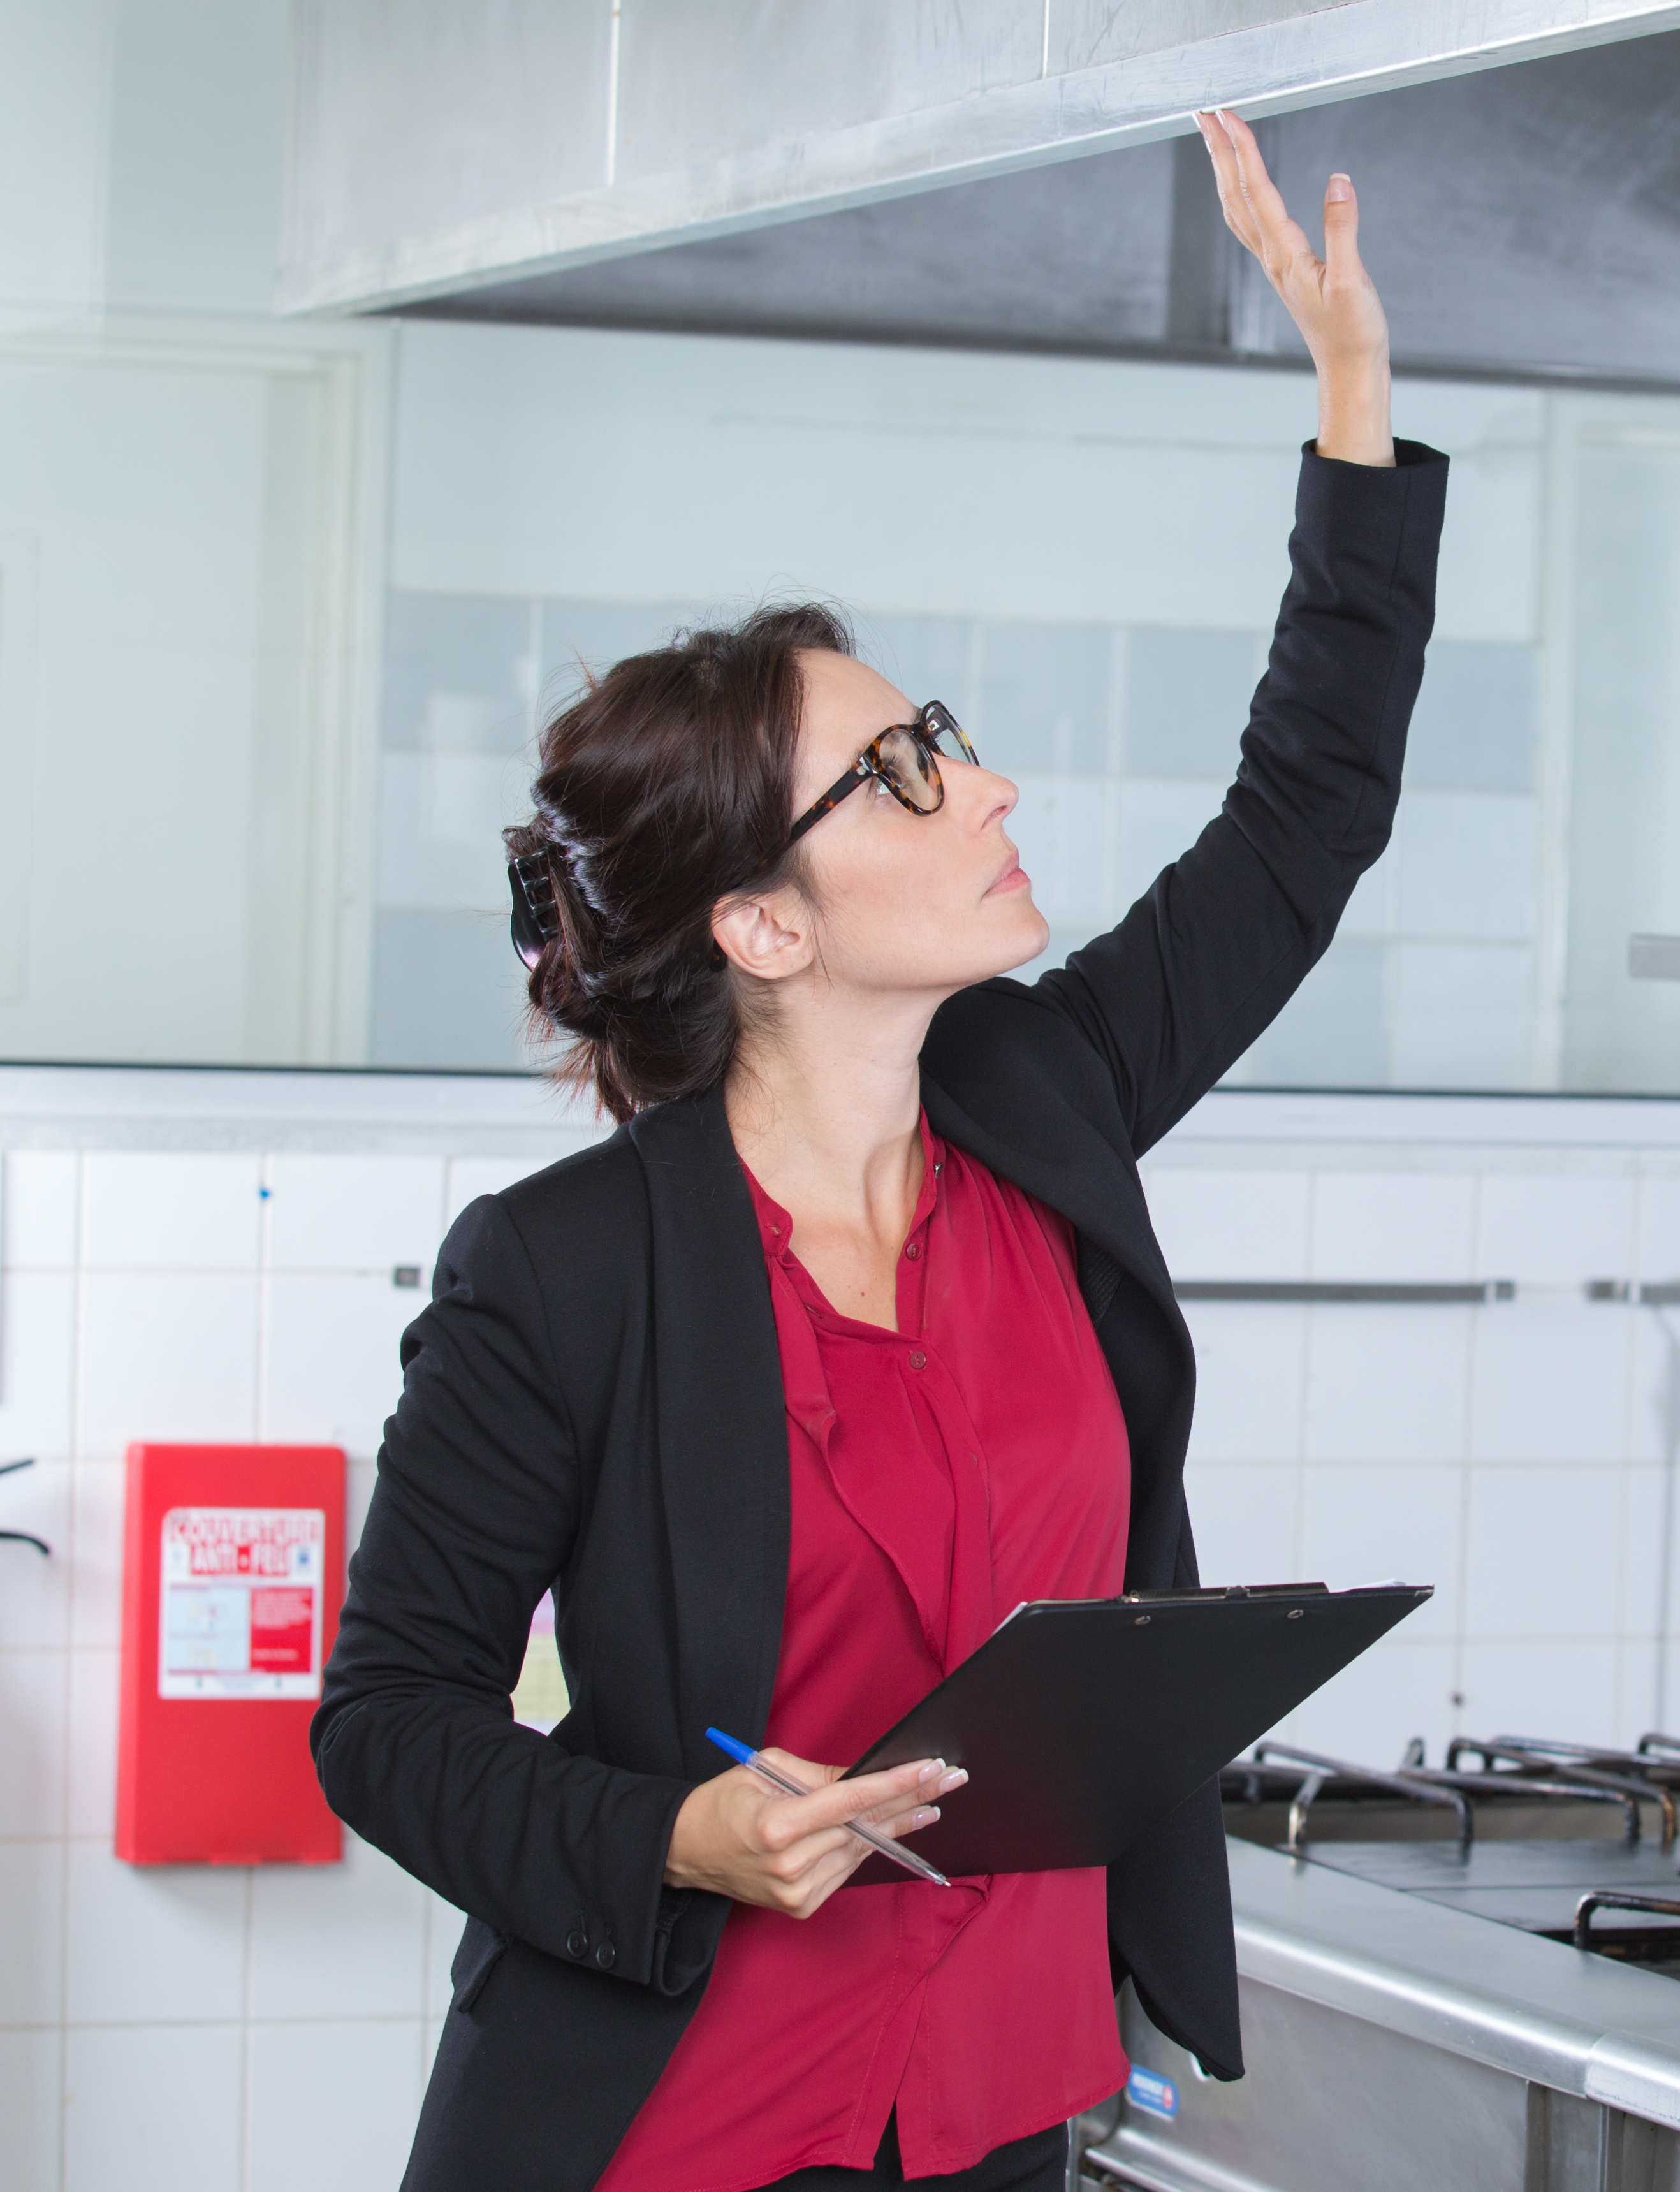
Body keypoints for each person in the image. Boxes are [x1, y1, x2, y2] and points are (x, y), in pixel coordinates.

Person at [312, 111, 1433, 2192]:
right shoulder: (560, 1272)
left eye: (952, 735)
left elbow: (1306, 824)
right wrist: (677, 1830)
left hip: (1007, 2109)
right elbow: (386, 1721)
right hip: (679, 2125)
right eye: (910, 771)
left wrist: (1354, 405)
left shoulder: (1046, 1107)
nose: (986, 785)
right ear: (766, 927)